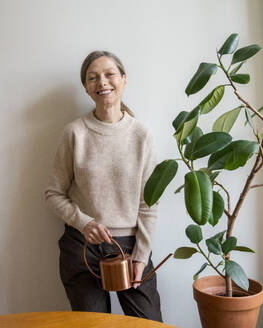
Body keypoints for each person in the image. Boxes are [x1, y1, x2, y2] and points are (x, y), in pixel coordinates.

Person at [43, 50, 162, 322]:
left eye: (110, 74)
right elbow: (53, 194)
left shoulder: (142, 135)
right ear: (86, 88)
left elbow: (149, 203)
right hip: (82, 247)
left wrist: (141, 256)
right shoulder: (74, 133)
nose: (102, 82)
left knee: (149, 324)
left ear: (123, 80)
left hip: (131, 246)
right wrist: (84, 223)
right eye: (93, 77)